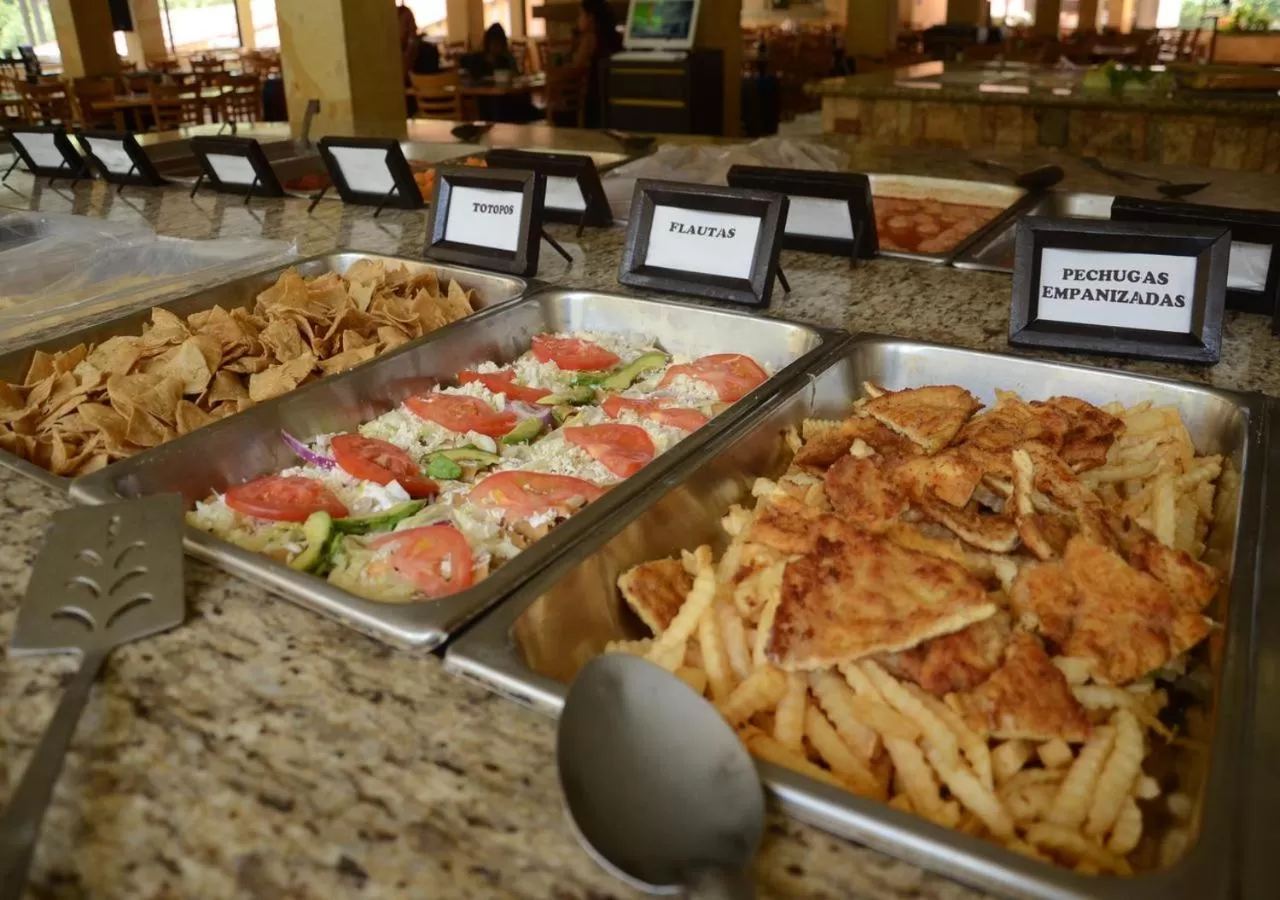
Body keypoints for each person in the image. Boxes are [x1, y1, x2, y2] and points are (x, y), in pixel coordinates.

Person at [572, 0, 622, 127]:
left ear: (590, 18)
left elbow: (575, 69)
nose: (578, 20)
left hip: (592, 104)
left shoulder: (590, 39)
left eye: (580, 15)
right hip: (612, 103)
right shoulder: (614, 38)